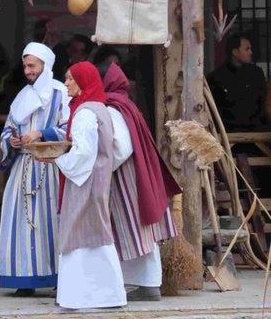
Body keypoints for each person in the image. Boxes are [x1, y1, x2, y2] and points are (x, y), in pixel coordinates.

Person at [37, 61, 127, 309]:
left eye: (70, 78)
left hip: (84, 181)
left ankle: (79, 296)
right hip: (96, 179)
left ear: (83, 82)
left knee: (76, 233)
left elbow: (83, 153)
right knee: (95, 233)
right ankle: (105, 295)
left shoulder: (86, 112)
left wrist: (57, 159)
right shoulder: (100, 108)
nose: (65, 83)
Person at [95, 60, 182, 301]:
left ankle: (142, 285)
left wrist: (101, 168)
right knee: (142, 232)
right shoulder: (124, 103)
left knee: (129, 231)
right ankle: (148, 284)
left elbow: (121, 146)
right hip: (135, 173)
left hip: (124, 177)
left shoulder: (112, 107)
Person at [0, 42, 70, 297]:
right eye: (26, 66)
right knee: (21, 223)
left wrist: (41, 133)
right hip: (23, 167)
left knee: (54, 221)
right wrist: (12, 140)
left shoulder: (62, 93)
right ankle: (25, 280)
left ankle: (60, 278)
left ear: (44, 65)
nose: (28, 71)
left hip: (51, 167)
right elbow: (8, 127)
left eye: (32, 66)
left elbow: (70, 129)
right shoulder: (21, 96)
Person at [206, 33, 268, 132]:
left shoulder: (256, 73)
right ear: (235, 52)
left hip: (256, 130)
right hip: (228, 132)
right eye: (247, 49)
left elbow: (261, 103)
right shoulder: (216, 77)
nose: (251, 52)